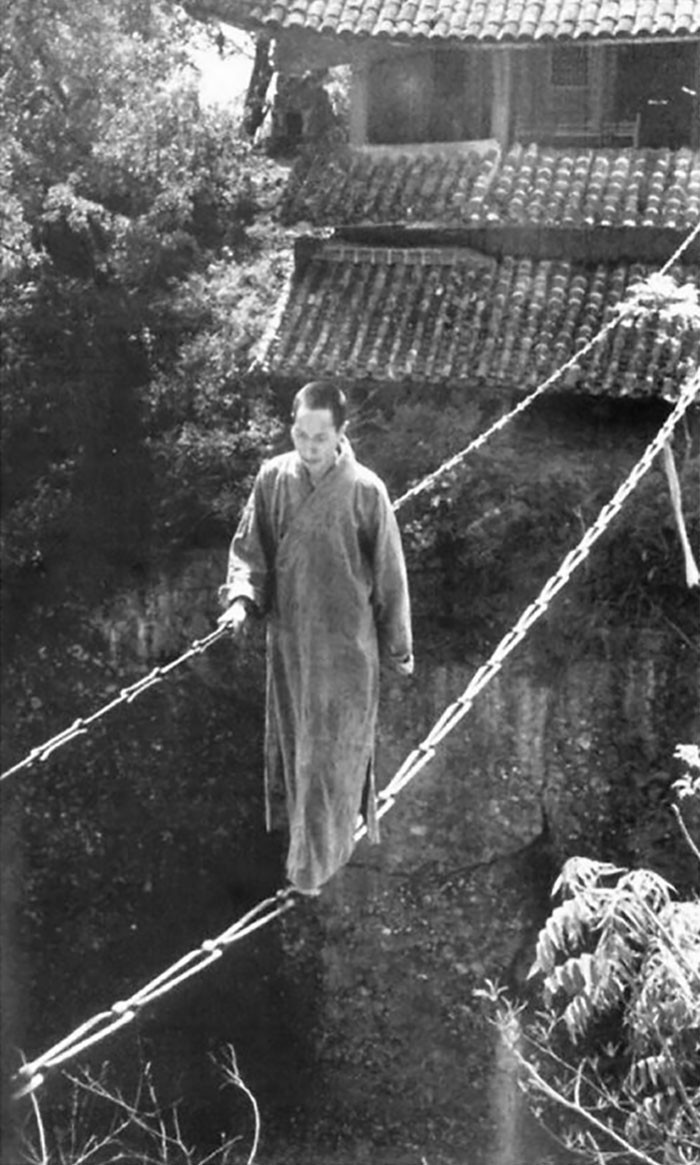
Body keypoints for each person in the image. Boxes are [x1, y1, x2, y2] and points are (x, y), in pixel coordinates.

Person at [218, 381, 413, 896]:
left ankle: (311, 871)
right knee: (300, 751)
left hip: (346, 649)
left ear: (342, 433)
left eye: (320, 438)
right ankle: (309, 860)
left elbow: (389, 575)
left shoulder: (366, 491)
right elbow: (250, 552)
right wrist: (241, 600)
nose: (309, 447)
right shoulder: (272, 479)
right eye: (301, 435)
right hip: (292, 644)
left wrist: (397, 649)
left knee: (331, 756)